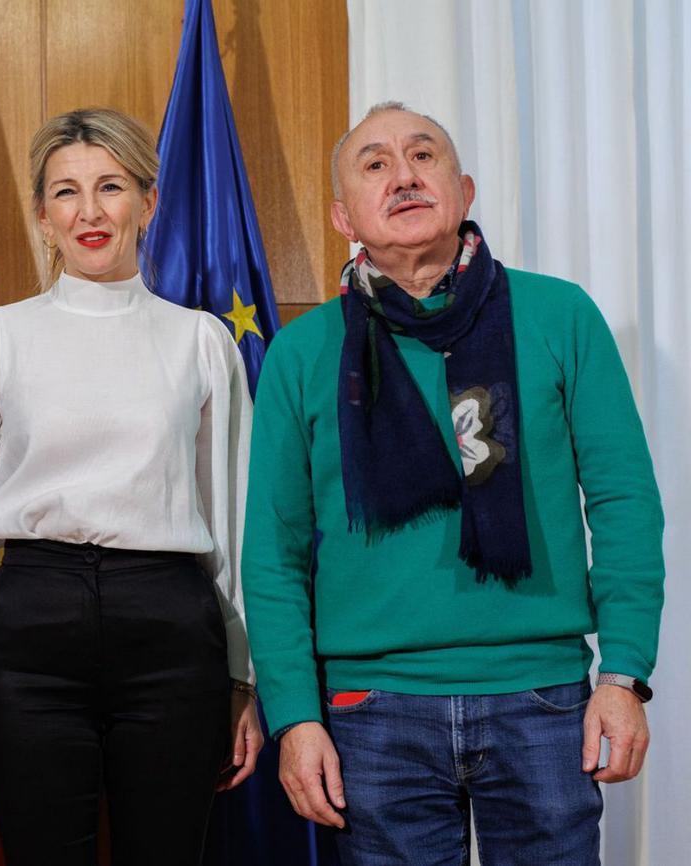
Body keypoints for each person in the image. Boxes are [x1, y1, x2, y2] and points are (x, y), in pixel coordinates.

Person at [242, 101, 665, 864]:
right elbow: (273, 554)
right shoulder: (303, 354)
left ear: (464, 190)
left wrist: (626, 674)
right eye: (375, 164)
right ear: (344, 216)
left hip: (543, 698)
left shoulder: (560, 316)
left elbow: (625, 502)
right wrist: (295, 717)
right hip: (370, 711)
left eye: (423, 156)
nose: (403, 176)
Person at [0, 108, 263, 866]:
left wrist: (243, 679)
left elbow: (233, 521)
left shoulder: (201, 341)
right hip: (32, 624)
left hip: (172, 627)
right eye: (66, 192)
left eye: (110, 186)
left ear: (147, 201)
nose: (90, 211)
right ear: (43, 216)